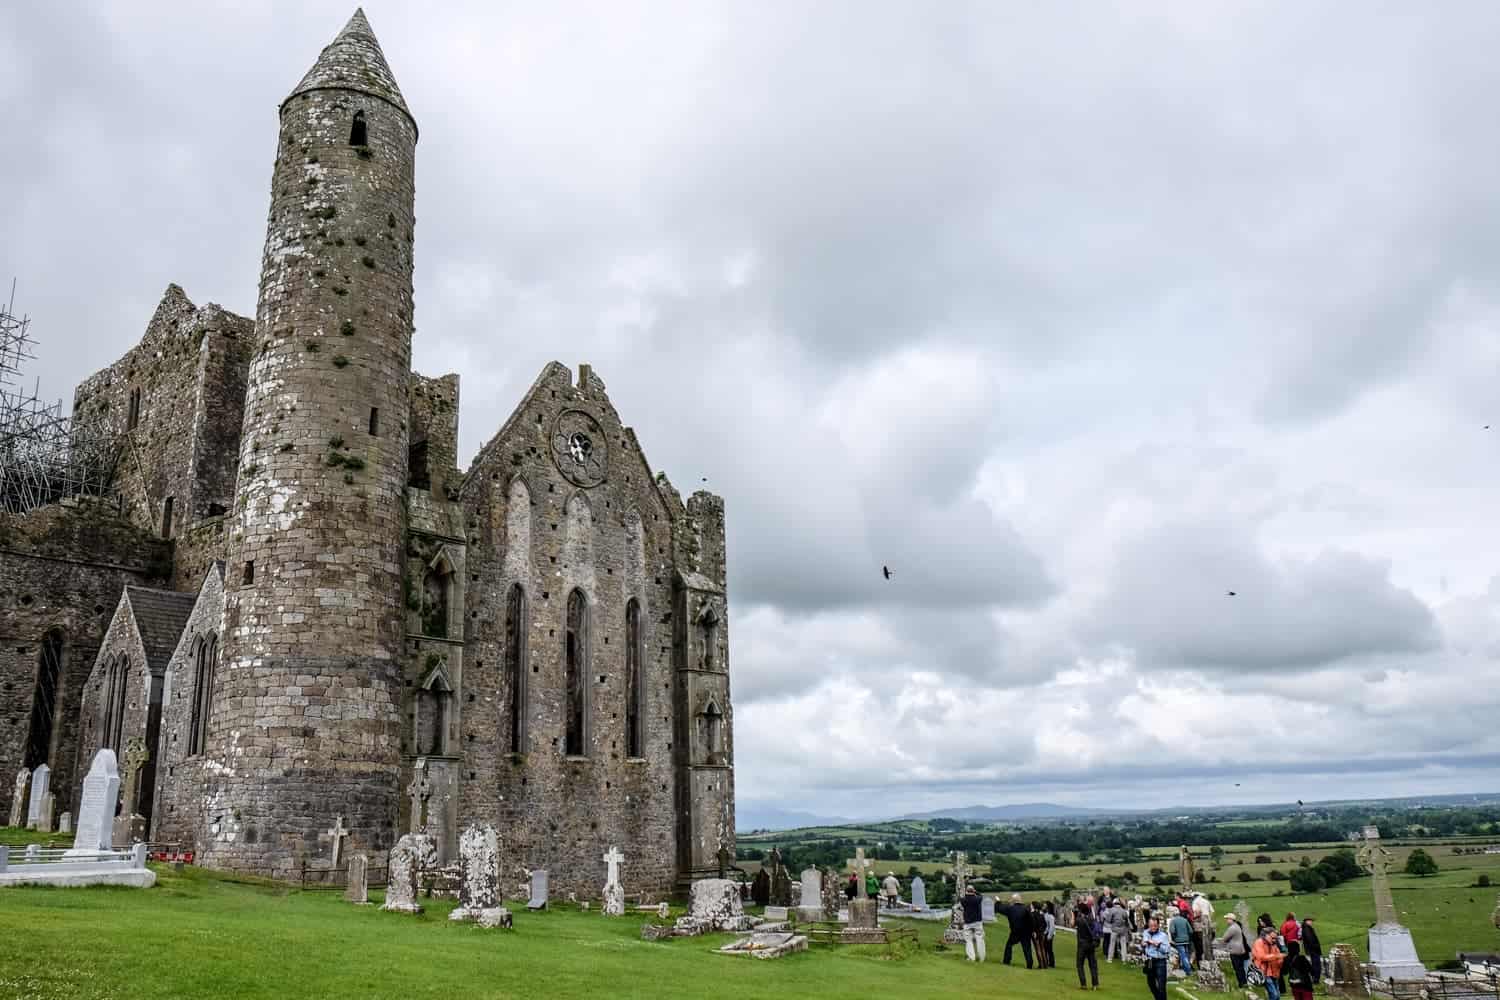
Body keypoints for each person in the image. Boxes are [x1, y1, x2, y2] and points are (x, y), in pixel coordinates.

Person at [1215, 912, 1251, 987]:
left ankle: (1241, 984)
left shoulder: (1232, 928)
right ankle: (1244, 983)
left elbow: (1224, 938)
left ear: (1231, 920)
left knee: (1237, 968)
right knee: (1241, 968)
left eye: (1227, 919)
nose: (1226, 921)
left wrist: (1219, 945)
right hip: (1240, 950)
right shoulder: (1237, 926)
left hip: (1235, 950)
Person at [1143, 913, 1172, 1000]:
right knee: (1151, 983)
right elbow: (1144, 942)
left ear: (1158, 925)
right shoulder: (1146, 932)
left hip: (1160, 961)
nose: (1153, 927)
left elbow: (1167, 950)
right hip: (1150, 961)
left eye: (1155, 925)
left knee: (1161, 985)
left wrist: (1158, 945)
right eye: (1151, 925)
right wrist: (1144, 944)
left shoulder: (1163, 936)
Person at [1252, 925, 1286, 1000]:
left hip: (1274, 972)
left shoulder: (1273, 944)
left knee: (1277, 996)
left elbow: (1279, 956)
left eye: (1275, 938)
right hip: (1264, 972)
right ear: (1266, 935)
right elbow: (1262, 957)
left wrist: (1281, 960)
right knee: (1274, 995)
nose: (1274, 940)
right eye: (1272, 938)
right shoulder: (1258, 943)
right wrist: (1277, 956)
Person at [1002, 893, 1035, 968]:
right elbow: (1031, 921)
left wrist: (998, 902)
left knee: (1009, 945)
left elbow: (1001, 908)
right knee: (1027, 948)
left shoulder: (1010, 908)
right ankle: (1029, 964)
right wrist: (1032, 931)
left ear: (1013, 900)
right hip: (1026, 932)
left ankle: (1006, 961)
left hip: (1015, 932)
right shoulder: (1026, 909)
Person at [1075, 900, 1101, 990]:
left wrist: (1073, 914)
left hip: (1082, 945)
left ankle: (1083, 984)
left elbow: (1072, 923)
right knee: (1093, 965)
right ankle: (1095, 984)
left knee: (1080, 965)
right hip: (1091, 944)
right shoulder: (1092, 920)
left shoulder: (1079, 920)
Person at [960, 885, 986, 963]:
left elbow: (963, 897)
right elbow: (981, 895)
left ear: (967, 891)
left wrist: (967, 892)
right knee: (980, 939)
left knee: (968, 940)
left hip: (968, 922)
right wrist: (975, 891)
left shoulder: (963, 900)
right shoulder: (978, 899)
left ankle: (971, 957)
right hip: (977, 922)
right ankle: (981, 958)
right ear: (973, 891)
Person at [1168, 905, 1195, 975]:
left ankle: (1188, 970)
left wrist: (1174, 938)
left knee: (1183, 955)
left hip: (1178, 941)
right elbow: (1191, 931)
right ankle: (1185, 967)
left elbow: (1172, 931)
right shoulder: (1185, 920)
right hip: (1186, 940)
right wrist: (1187, 937)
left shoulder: (1173, 921)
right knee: (1186, 954)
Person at [1105, 896, 1131, 962]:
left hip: (1114, 930)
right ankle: (1124, 959)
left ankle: (1110, 959)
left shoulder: (1112, 910)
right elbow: (1126, 920)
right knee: (1123, 945)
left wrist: (1113, 922)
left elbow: (1108, 920)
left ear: (1114, 903)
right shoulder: (1123, 910)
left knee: (1112, 944)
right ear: (1119, 904)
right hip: (1122, 930)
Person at [1301, 916, 1323, 983]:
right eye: (1310, 921)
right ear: (1306, 921)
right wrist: (1316, 946)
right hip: (1313, 950)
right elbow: (1310, 939)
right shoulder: (1307, 929)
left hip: (1312, 949)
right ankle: (1316, 979)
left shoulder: (1306, 928)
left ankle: (1315, 978)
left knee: (1315, 964)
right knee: (1316, 964)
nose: (1311, 922)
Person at [1043, 901, 1058, 969]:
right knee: (1045, 949)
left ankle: (1051, 963)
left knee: (1049, 949)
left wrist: (1049, 936)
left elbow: (1052, 927)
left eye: (1045, 906)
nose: (1044, 907)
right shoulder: (1045, 914)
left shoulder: (1051, 916)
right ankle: (1046, 961)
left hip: (1049, 934)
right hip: (1045, 933)